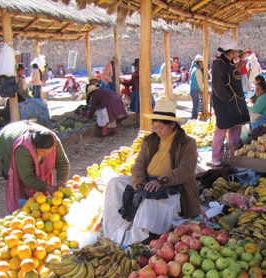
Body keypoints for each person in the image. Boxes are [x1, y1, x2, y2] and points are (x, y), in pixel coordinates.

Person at [102, 98, 200, 246]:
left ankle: (142, 238)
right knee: (114, 183)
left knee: (149, 201)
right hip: (147, 180)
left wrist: (161, 181)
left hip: (172, 185)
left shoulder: (187, 143)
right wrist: (140, 185)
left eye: (161, 127)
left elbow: (186, 171)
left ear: (172, 125)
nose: (157, 131)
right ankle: (114, 229)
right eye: (155, 127)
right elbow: (138, 166)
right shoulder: (150, 140)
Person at [0, 121, 70, 214]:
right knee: (19, 183)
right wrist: (48, 187)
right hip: (6, 143)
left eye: (50, 151)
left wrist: (61, 182)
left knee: (39, 187)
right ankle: (23, 210)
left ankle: (35, 205)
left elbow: (62, 163)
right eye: (43, 152)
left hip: (26, 136)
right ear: (34, 147)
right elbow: (27, 177)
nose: (46, 155)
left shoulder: (55, 141)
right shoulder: (23, 148)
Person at [211, 40, 250, 167]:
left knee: (236, 127)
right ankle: (216, 157)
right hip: (224, 102)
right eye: (236, 51)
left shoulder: (230, 63)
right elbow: (218, 86)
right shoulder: (218, 63)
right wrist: (228, 100)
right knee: (222, 128)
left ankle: (233, 156)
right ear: (232, 51)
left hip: (236, 101)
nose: (238, 52)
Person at [189, 54, 204, 120]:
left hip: (193, 90)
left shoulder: (194, 68)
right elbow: (199, 82)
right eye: (202, 62)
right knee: (195, 106)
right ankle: (194, 119)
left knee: (195, 105)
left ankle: (194, 118)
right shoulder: (197, 70)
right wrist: (202, 90)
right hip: (195, 90)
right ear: (200, 62)